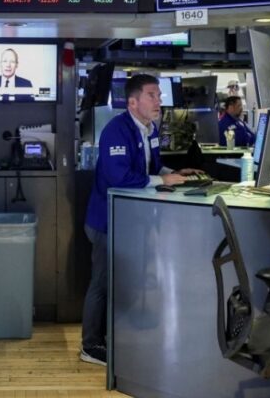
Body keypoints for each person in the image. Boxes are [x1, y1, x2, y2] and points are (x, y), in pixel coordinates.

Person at [80, 74, 203, 366]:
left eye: (159, 95)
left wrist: (174, 171)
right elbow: (118, 176)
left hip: (129, 222)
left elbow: (154, 165)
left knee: (118, 283)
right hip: (106, 222)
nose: (159, 100)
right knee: (101, 284)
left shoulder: (150, 129)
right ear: (132, 101)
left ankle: (110, 337)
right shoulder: (115, 131)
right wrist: (161, 178)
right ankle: (90, 345)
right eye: (152, 95)